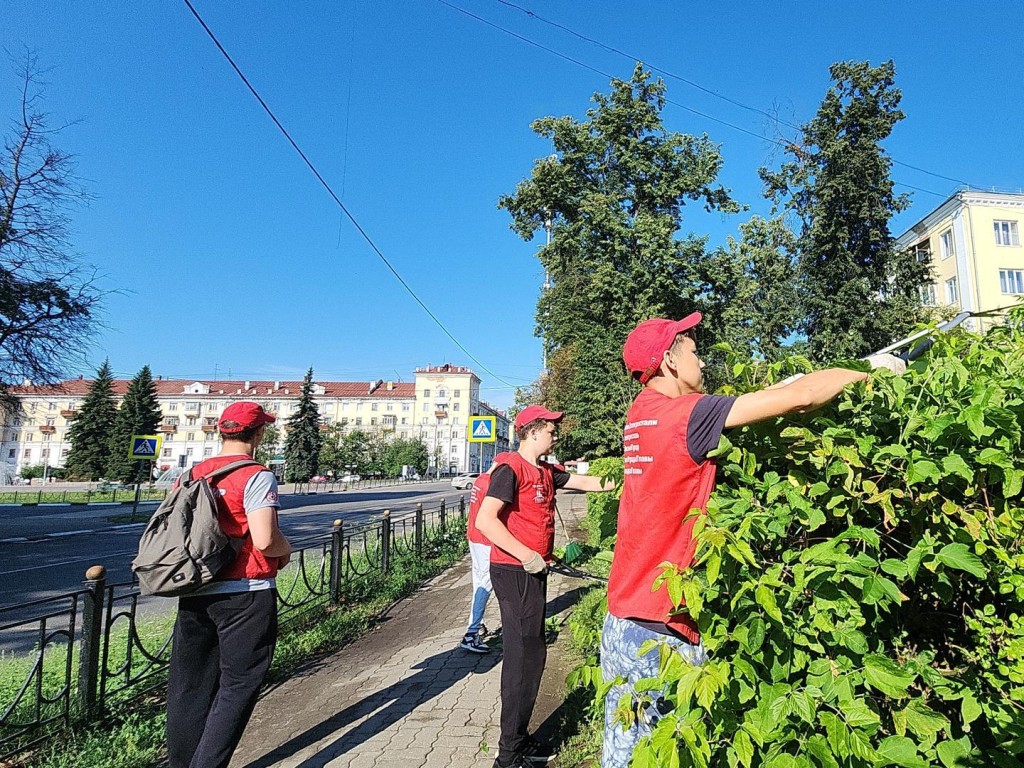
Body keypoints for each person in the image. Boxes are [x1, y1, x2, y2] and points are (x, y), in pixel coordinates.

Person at [601, 313, 906, 768]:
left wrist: (776, 389)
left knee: (625, 751)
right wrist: (873, 371)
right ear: (668, 361)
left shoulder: (641, 412)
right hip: (661, 628)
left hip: (624, 614)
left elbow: (738, 404)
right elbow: (802, 399)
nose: (701, 362)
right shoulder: (688, 414)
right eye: (693, 352)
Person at [475, 405, 615, 768]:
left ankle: (519, 738)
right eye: (551, 430)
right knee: (523, 659)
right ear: (533, 431)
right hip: (514, 571)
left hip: (531, 572)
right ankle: (508, 755)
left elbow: (588, 482)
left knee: (533, 655)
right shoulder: (510, 469)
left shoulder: (546, 471)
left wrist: (633, 475)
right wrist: (526, 555)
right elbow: (486, 521)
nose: (556, 435)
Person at [166, 401, 293, 768]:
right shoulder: (256, 474)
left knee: (190, 687)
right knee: (238, 686)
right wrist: (288, 549)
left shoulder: (190, 474)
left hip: (194, 588)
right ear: (258, 433)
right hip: (245, 593)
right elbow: (266, 539)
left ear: (222, 431)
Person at [460, 452, 513, 653]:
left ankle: (478, 624)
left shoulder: (481, 479)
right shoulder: (493, 484)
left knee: (478, 582)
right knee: (485, 584)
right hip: (485, 540)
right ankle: (471, 634)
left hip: (474, 536)